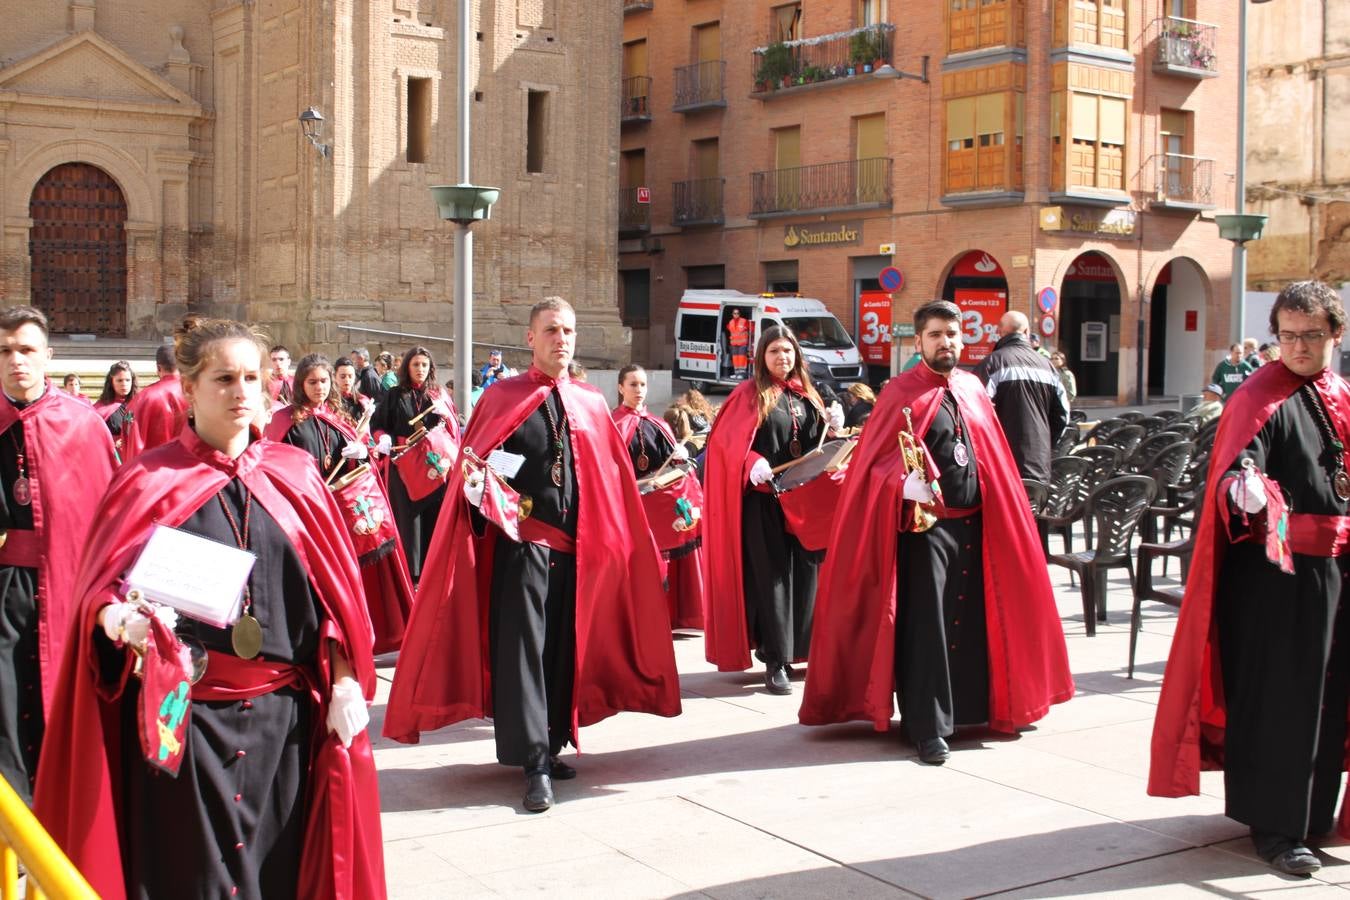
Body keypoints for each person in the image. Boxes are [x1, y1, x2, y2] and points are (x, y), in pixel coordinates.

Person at [34, 317, 385, 898]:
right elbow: (101, 589)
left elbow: (332, 602)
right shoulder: (148, 479)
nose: (242, 391)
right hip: (181, 721)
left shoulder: (295, 474)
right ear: (189, 389)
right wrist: (115, 619)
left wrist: (345, 679)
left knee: (279, 874)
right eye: (224, 378)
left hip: (284, 726)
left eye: (252, 377)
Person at [383, 297, 681, 813]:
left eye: (567, 330)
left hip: (580, 551)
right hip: (523, 546)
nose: (560, 339)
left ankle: (554, 740)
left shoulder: (591, 402)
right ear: (530, 339)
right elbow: (479, 467)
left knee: (564, 649)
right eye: (550, 331)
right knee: (524, 651)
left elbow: (612, 484)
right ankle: (534, 761)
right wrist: (476, 489)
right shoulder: (503, 396)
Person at [800, 300, 1074, 764]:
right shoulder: (899, 393)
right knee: (928, 629)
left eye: (952, 334)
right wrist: (898, 480)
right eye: (935, 335)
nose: (945, 342)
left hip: (977, 525)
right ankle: (928, 727)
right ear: (919, 342)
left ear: (962, 338)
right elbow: (872, 466)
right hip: (924, 531)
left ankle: (973, 711)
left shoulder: (972, 387)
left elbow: (993, 457)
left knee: (975, 625)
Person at [1150, 281, 1350, 877]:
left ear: (1334, 336)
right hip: (1278, 581)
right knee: (1283, 701)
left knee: (1329, 698)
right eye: (1287, 335)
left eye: (1311, 335)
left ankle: (1312, 816)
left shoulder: (1338, 393)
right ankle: (1275, 827)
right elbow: (1241, 466)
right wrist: (1247, 486)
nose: (1297, 347)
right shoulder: (1257, 395)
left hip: (1339, 572)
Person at [0, 305, 117, 806]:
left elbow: (112, 517)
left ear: (47, 355)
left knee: (60, 700)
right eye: (5, 351)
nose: (16, 361)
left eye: (26, 350)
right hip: (4, 591)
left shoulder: (83, 424)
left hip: (66, 588)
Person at [703, 326, 845, 695]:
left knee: (807, 578)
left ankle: (802, 652)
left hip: (805, 502)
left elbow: (817, 447)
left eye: (788, 351)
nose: (783, 358)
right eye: (775, 352)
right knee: (774, 580)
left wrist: (832, 431)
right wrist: (751, 462)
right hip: (765, 503)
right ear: (761, 358)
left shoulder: (808, 394)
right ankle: (775, 660)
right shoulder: (748, 396)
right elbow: (724, 445)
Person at [267, 353, 413, 654]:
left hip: (340, 514)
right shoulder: (285, 420)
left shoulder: (337, 417)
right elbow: (274, 466)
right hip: (305, 512)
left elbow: (362, 466)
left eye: (323, 381)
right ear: (300, 384)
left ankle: (350, 634)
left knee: (346, 577)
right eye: (312, 382)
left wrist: (362, 453)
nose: (319, 387)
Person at [612, 364, 703, 631]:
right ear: (620, 388)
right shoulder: (613, 423)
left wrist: (678, 459)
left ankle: (668, 615)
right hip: (632, 505)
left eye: (642, 385)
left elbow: (672, 469)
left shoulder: (658, 423)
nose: (639, 390)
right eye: (632, 385)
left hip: (659, 505)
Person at [370, 346, 460, 584]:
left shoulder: (439, 394)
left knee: (435, 517)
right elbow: (378, 424)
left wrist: (447, 415)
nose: (420, 369)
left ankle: (434, 570)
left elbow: (454, 434)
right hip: (404, 467)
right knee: (409, 522)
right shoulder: (394, 394)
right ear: (407, 367)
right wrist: (383, 438)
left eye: (424, 365)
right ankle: (411, 575)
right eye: (415, 364)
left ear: (430, 368)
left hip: (436, 469)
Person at [974, 310, 1070, 483]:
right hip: (1039, 466)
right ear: (1026, 332)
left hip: (1000, 469)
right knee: (1034, 510)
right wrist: (1044, 445)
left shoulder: (990, 365)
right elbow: (1062, 416)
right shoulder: (1048, 367)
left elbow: (974, 417)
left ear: (1000, 332)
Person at [123, 340, 190, 461]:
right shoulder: (197, 393)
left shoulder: (141, 399)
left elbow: (133, 444)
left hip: (153, 471)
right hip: (193, 471)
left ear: (158, 367)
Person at [94, 360, 139, 462]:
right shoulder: (100, 409)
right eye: (119, 380)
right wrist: (113, 444)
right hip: (111, 461)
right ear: (111, 382)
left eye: (128, 380)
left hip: (136, 459)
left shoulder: (140, 403)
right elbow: (93, 439)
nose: (124, 384)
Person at [333, 355, 366, 422]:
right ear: (334, 377)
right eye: (343, 377)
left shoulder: (363, 401)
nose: (347, 380)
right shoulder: (330, 402)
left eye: (350, 376)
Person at [727, 308, 751, 378]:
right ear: (732, 314)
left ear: (739, 314)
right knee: (735, 360)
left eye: (737, 313)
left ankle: (742, 374)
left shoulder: (744, 321)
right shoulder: (730, 322)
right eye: (734, 313)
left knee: (742, 360)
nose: (736, 314)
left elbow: (751, 328)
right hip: (734, 345)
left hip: (742, 344)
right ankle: (736, 374)